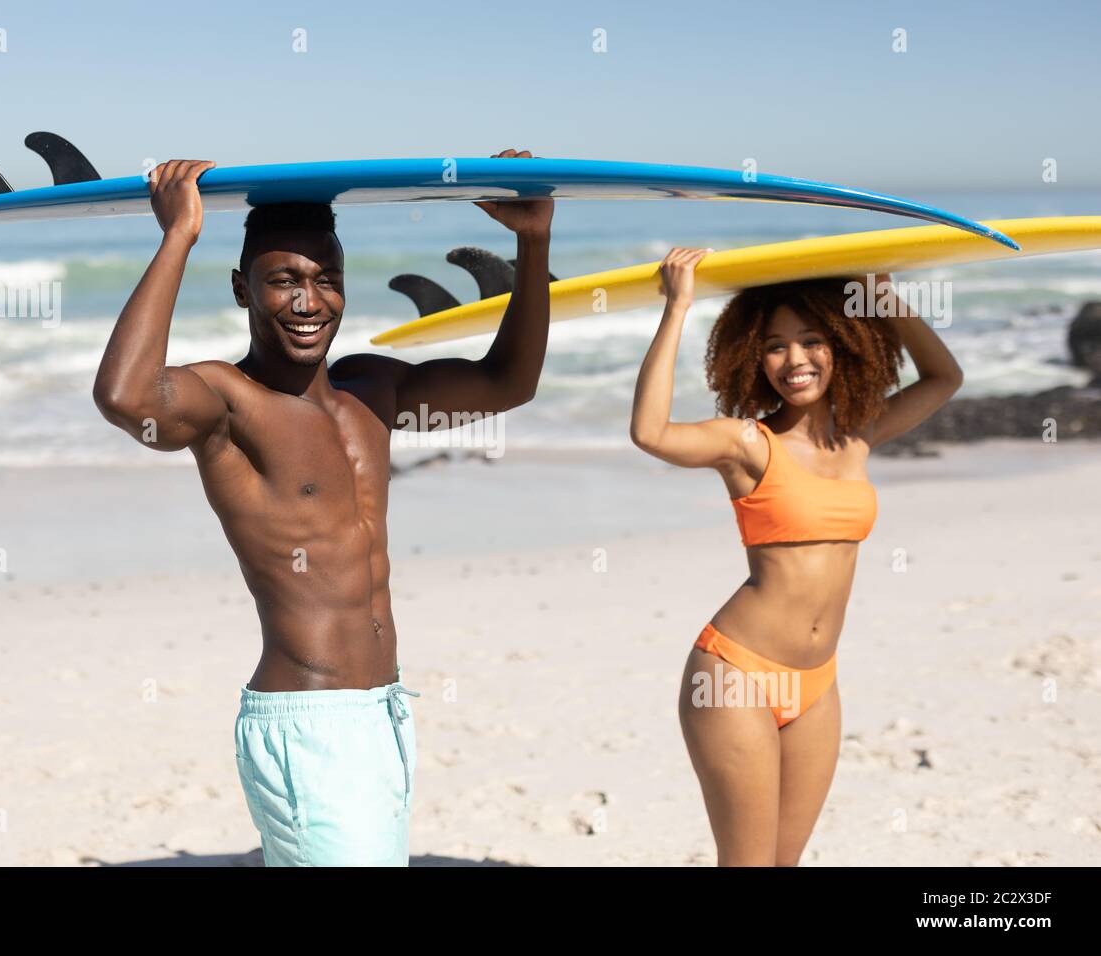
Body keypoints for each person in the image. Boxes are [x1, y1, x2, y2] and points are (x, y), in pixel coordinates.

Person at [93, 151, 554, 866]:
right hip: (309, 721)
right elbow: (125, 396)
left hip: (386, 710)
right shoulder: (226, 402)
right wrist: (177, 236)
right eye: (283, 282)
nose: (309, 301)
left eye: (325, 280)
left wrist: (533, 241)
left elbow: (507, 382)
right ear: (243, 289)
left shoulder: (373, 389)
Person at [630, 249, 962, 865]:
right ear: (754, 357)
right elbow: (650, 433)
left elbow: (945, 378)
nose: (795, 360)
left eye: (812, 341)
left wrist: (887, 300)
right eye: (775, 346)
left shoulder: (860, 434)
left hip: (818, 682)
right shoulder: (748, 443)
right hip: (736, 675)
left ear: (842, 344)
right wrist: (677, 306)